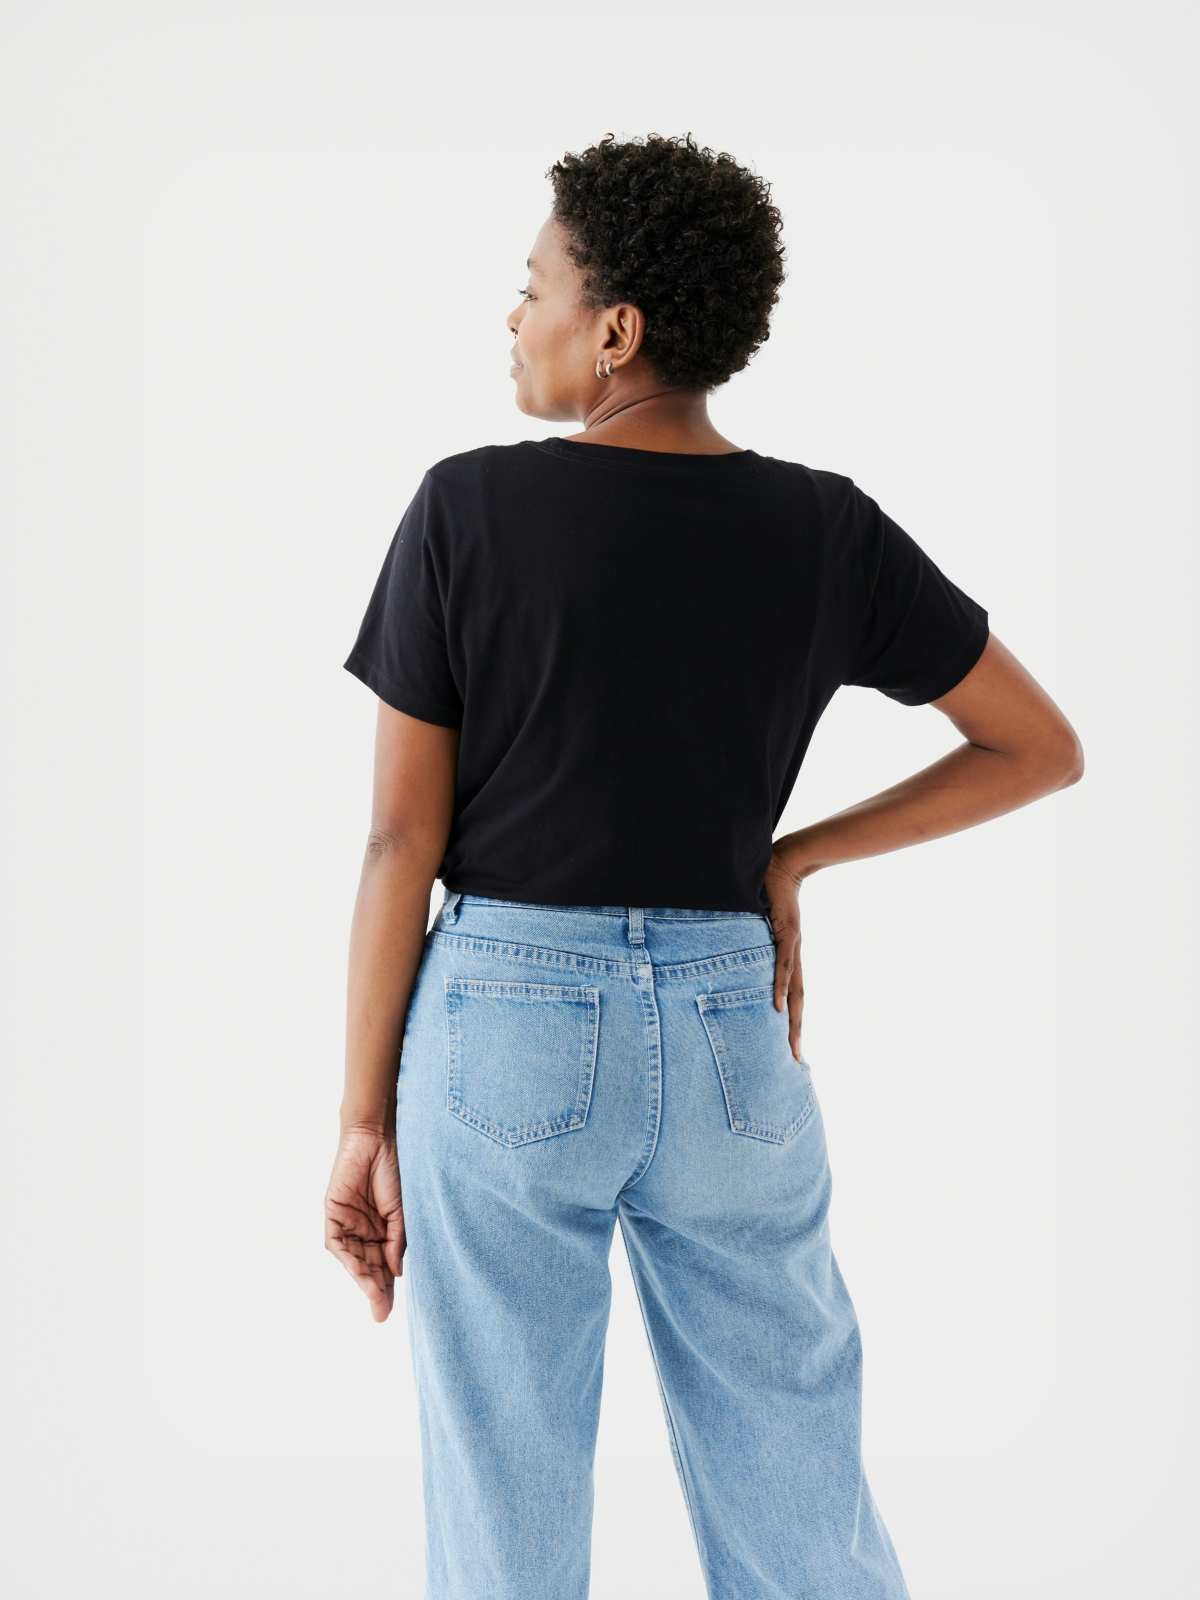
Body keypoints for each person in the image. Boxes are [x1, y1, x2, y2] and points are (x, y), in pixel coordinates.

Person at [325, 132, 1084, 1600]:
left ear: (615, 329)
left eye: (534, 282)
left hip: (504, 1026)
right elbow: (1036, 746)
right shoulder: (826, 526)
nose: (514, 313)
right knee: (794, 1468)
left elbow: (399, 840)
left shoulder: (467, 508)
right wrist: (793, 859)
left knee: (504, 1490)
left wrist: (364, 1120)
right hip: (734, 1024)